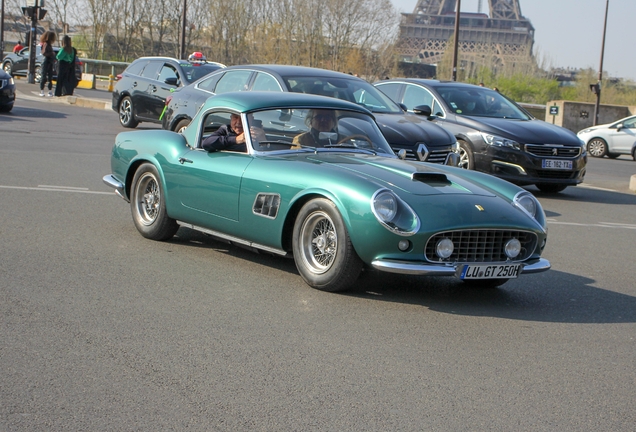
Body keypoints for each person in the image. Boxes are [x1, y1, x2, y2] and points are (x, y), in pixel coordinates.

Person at [201, 113, 265, 152]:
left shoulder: (256, 133)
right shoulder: (225, 130)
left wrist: (264, 141)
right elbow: (206, 143)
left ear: (251, 120)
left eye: (243, 118)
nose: (239, 122)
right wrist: (236, 139)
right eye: (236, 117)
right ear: (231, 118)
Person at [39, 31, 56, 97]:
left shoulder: (47, 44)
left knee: (48, 76)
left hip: (47, 61)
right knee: (45, 76)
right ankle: (43, 91)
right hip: (46, 61)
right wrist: (52, 54)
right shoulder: (46, 44)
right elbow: (44, 53)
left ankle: (47, 91)